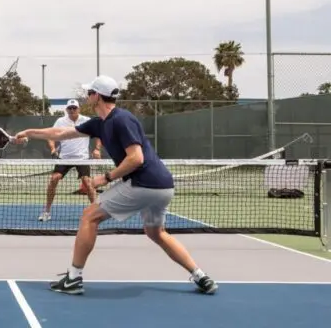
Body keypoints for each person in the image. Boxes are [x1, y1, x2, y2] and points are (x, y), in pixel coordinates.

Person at [13, 75, 218, 296]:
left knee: (89, 216)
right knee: (156, 232)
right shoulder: (99, 124)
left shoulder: (122, 119)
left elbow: (136, 158)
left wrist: (106, 178)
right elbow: (61, 133)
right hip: (163, 187)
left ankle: (73, 278)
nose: (86, 95)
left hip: (144, 183)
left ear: (97, 97)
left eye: (89, 92)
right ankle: (201, 276)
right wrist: (29, 133)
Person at [38, 99, 102, 222]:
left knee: (88, 183)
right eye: (70, 108)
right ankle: (47, 211)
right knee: (53, 179)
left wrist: (97, 149)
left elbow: (99, 134)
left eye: (74, 108)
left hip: (82, 159)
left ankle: (96, 212)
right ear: (66, 110)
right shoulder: (60, 121)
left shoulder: (87, 120)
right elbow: (50, 135)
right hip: (64, 158)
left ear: (79, 109)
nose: (72, 110)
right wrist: (52, 148)